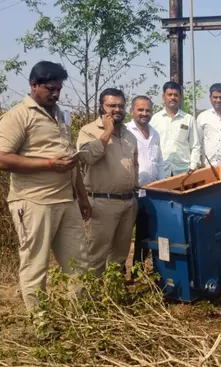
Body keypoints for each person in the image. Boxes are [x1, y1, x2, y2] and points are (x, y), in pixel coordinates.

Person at [0, 60, 91, 314]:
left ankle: (80, 321)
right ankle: (42, 324)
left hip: (66, 202)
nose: (56, 94)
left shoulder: (60, 115)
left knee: (79, 263)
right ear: (33, 86)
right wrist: (48, 164)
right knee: (36, 266)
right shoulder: (17, 116)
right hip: (34, 201)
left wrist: (82, 197)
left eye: (59, 89)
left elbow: (70, 159)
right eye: (50, 89)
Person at [76, 88, 139, 277]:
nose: (117, 110)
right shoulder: (89, 131)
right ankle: (92, 300)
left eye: (120, 105)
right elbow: (86, 157)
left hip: (128, 202)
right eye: (112, 106)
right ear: (102, 107)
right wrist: (108, 132)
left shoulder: (130, 135)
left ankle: (114, 295)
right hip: (102, 203)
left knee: (120, 254)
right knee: (96, 255)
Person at [124, 95, 167, 274]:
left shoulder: (155, 133)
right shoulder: (126, 131)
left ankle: (137, 270)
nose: (144, 113)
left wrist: (164, 187)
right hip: (131, 192)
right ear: (132, 111)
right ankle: (119, 273)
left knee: (145, 233)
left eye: (147, 110)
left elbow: (158, 162)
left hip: (151, 193)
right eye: (140, 110)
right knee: (124, 235)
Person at [149, 81, 202, 176]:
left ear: (180, 97)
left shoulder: (188, 119)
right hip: (161, 171)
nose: (172, 98)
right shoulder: (155, 119)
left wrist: (193, 166)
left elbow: (195, 145)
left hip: (184, 172)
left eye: (176, 95)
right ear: (163, 97)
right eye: (169, 94)